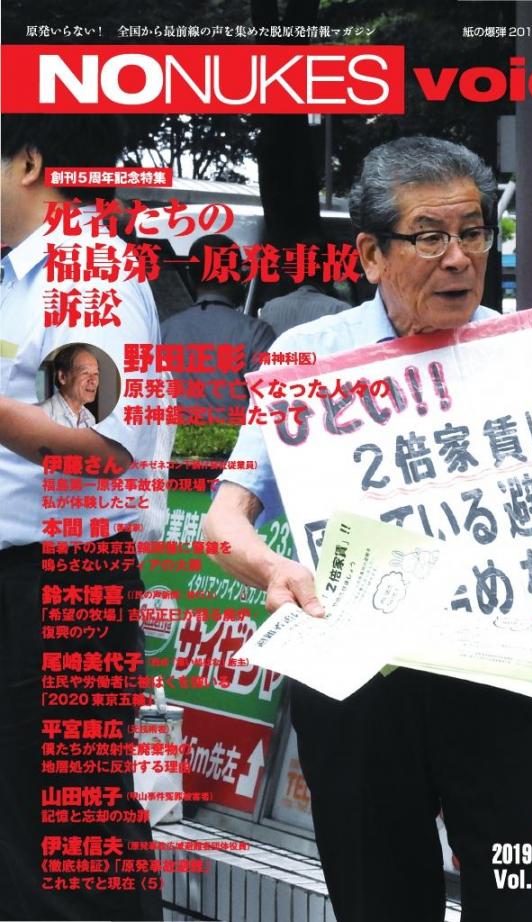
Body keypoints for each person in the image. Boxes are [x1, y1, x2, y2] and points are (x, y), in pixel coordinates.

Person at [204, 136, 532, 922]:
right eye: (429, 236)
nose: (459, 258)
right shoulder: (307, 358)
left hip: (504, 676)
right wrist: (274, 571)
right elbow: (223, 518)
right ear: (371, 255)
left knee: (528, 898)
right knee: (380, 899)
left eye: (474, 232)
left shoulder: (530, 356)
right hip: (358, 683)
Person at [0, 115, 164, 920]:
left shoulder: (89, 271)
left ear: (29, 160)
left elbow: (104, 446)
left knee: (69, 826)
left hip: (60, 584)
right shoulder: (13, 276)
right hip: (22, 582)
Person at [161, 233, 275, 420]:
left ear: (190, 277)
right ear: (238, 275)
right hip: (238, 438)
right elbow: (270, 402)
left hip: (175, 437)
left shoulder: (164, 332)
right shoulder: (256, 334)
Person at [39, 343, 99, 428]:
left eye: (96, 374)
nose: (93, 380)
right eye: (85, 373)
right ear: (62, 377)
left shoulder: (90, 419)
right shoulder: (42, 415)